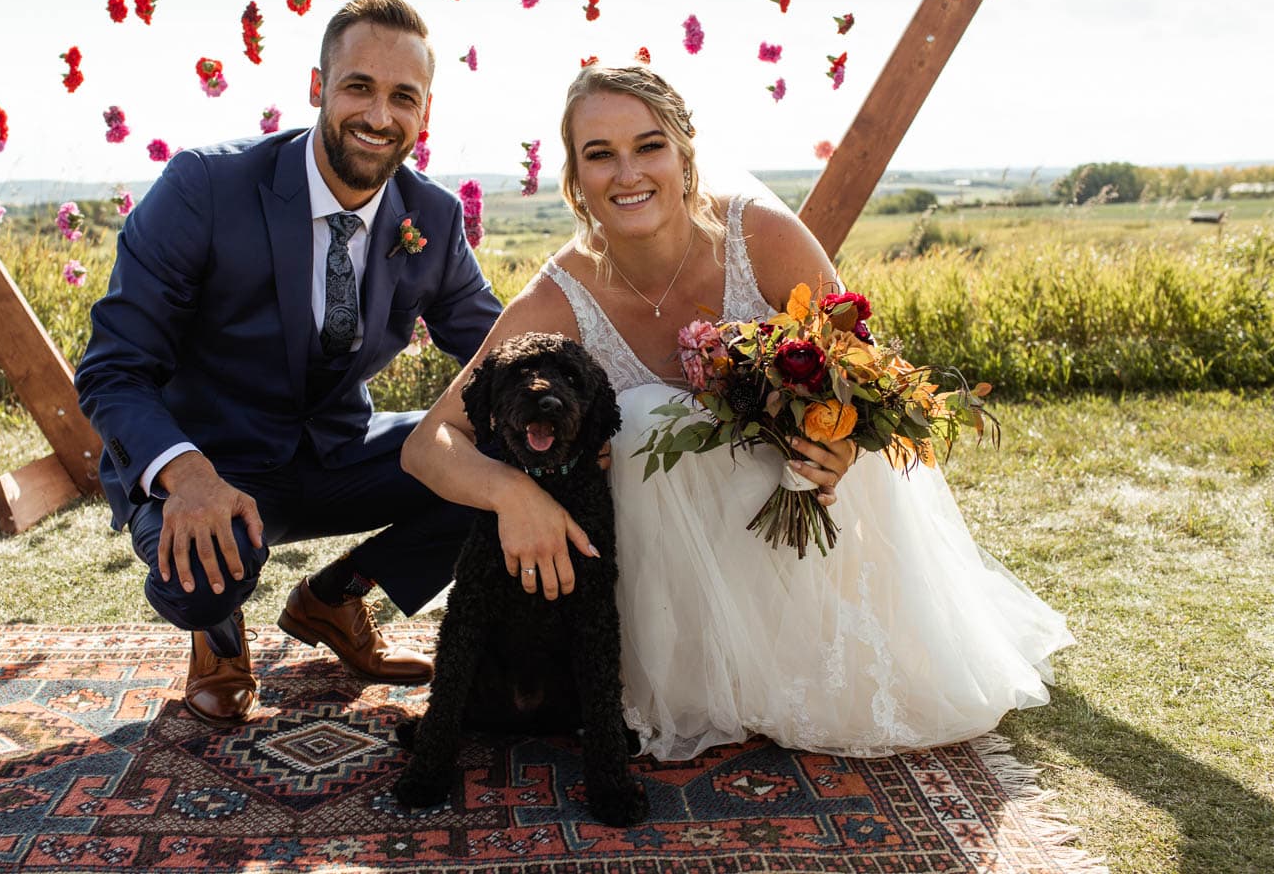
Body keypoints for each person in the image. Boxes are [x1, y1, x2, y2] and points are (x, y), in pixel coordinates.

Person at [402, 64, 1073, 760]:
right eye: (599, 154)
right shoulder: (557, 297)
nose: (627, 172)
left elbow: (864, 374)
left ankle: (802, 659)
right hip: (677, 591)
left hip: (810, 521)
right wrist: (514, 495)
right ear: (576, 179)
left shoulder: (763, 239)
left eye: (649, 145)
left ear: (685, 153)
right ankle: (703, 680)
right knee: (648, 422)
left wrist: (844, 441)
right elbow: (430, 442)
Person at [76, 0, 502, 728]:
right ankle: (217, 635)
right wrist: (187, 475)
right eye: (358, 86)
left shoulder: (429, 217)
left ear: (424, 114)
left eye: (403, 96)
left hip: (337, 451)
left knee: (507, 456)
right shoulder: (204, 189)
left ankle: (336, 598)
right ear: (316, 89)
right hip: (209, 464)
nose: (378, 115)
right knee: (213, 571)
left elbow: (502, 353)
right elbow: (113, 367)